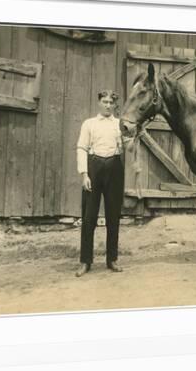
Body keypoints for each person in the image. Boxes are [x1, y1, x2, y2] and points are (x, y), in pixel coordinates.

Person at [75, 90, 125, 277]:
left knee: (113, 216)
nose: (107, 105)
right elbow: (81, 148)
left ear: (114, 105)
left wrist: (133, 135)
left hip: (114, 167)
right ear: (99, 102)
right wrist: (84, 174)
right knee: (89, 217)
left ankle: (112, 259)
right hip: (94, 168)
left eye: (111, 102)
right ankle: (85, 261)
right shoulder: (89, 124)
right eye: (104, 101)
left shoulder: (120, 124)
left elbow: (128, 144)